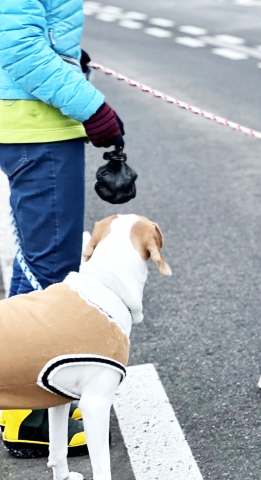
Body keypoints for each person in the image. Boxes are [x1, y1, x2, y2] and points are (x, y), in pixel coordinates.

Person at [0, 0, 124, 458]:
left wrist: (71, 59)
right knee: (48, 267)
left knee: (39, 261)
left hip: (30, 121)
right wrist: (91, 106)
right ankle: (27, 413)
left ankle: (20, 398)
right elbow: (19, 48)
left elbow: (33, 33)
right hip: (37, 127)